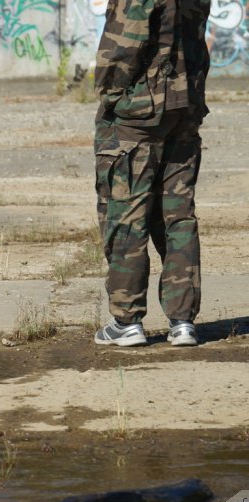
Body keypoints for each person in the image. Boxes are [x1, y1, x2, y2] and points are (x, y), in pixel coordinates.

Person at [92, 0, 211, 347]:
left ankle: (127, 321)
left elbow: (121, 48)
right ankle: (182, 321)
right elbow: (197, 46)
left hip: (137, 118)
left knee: (126, 215)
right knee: (179, 216)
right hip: (183, 109)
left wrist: (113, 97)